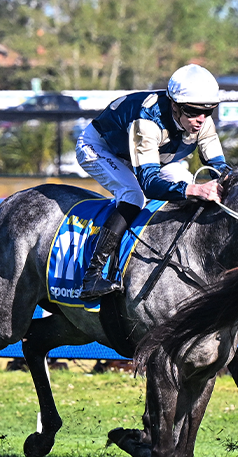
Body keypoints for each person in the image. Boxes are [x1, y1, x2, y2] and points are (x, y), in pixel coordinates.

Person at [75, 64, 228, 300]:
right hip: (101, 149)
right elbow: (149, 183)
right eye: (192, 111)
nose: (200, 120)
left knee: (185, 179)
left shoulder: (202, 120)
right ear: (174, 105)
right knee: (133, 195)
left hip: (148, 157)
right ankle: (92, 275)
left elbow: (220, 168)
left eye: (208, 111)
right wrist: (195, 189)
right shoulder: (147, 121)